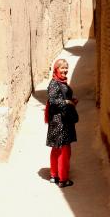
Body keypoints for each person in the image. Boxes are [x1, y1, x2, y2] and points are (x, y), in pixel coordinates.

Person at [45, 59, 79, 188]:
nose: (65, 70)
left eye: (66, 68)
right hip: (61, 122)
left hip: (58, 121)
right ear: (56, 69)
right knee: (64, 150)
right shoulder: (54, 83)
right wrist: (67, 102)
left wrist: (71, 100)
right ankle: (63, 179)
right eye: (62, 68)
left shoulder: (59, 82)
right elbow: (53, 101)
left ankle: (54, 175)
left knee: (56, 148)